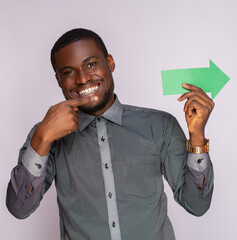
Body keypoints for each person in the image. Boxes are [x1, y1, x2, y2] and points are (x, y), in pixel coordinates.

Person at [6, 28, 214, 240]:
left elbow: (197, 205)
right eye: (69, 72)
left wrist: (197, 135)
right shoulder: (47, 135)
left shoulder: (159, 125)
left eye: (91, 64)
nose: (82, 79)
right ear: (59, 80)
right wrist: (42, 137)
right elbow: (18, 208)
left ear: (110, 63)